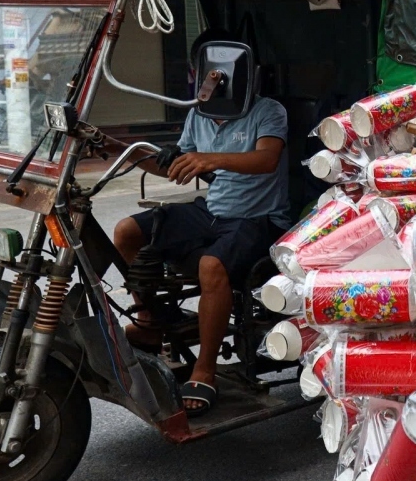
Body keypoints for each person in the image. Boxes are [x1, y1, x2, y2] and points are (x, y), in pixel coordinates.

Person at [111, 31, 290, 417]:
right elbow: (180, 165)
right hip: (212, 211)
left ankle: (205, 369)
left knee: (212, 265)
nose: (210, 81)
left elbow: (266, 160)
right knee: (126, 231)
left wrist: (211, 159)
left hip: (257, 219)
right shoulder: (198, 114)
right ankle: (149, 320)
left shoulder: (268, 111)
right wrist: (117, 148)